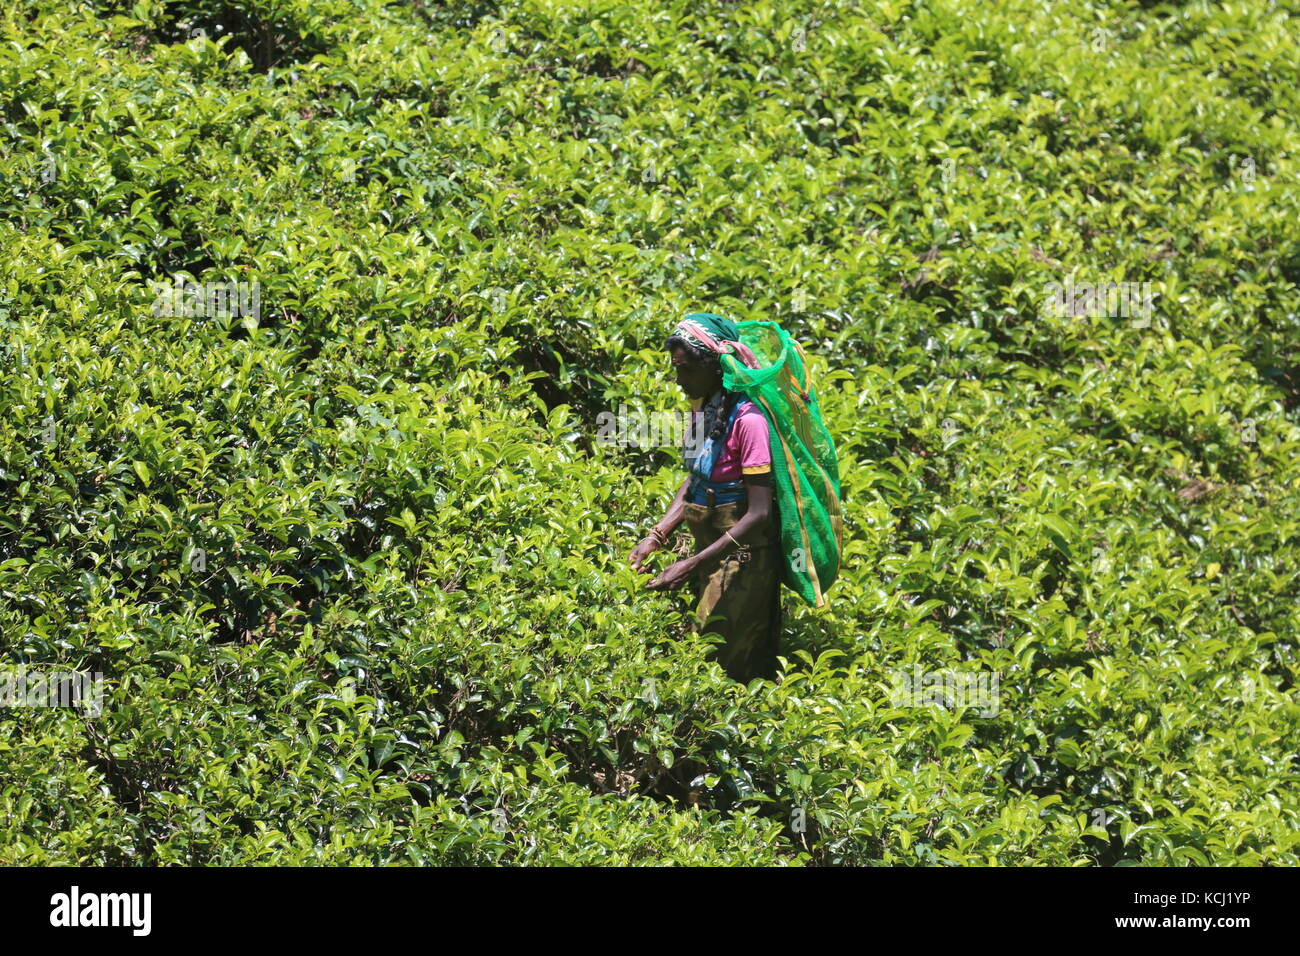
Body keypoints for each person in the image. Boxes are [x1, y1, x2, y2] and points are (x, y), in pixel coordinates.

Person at [629, 313, 783, 684]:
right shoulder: (706, 411)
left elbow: (759, 513)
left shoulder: (750, 422)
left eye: (686, 370)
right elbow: (695, 481)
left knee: (714, 658)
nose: (679, 380)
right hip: (711, 550)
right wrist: (657, 535)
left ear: (714, 367)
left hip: (742, 561)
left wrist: (689, 565)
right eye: (676, 370)